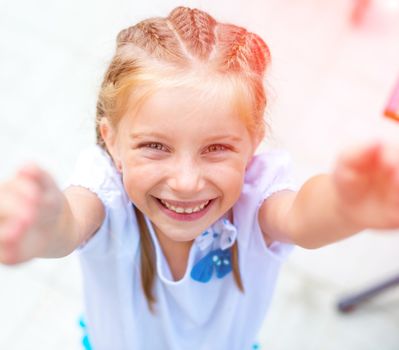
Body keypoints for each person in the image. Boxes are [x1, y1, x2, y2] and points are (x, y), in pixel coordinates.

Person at [0, 6, 399, 350]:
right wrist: (46, 226)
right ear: (112, 141)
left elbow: (302, 217)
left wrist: (346, 206)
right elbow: (70, 221)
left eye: (216, 148)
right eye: (155, 146)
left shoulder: (255, 196)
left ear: (253, 142)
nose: (187, 182)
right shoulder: (105, 193)